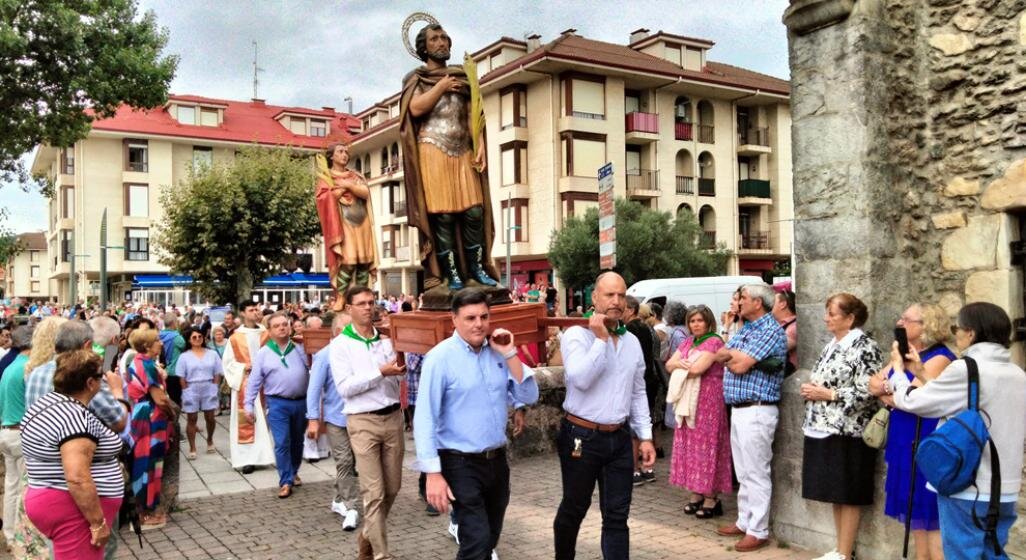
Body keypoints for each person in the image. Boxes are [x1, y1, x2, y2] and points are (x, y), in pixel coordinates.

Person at [887, 302, 1024, 558]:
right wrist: (920, 372)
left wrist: (897, 370)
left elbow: (911, 401)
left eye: (956, 328)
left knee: (962, 554)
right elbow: (966, 402)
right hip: (1005, 487)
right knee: (993, 552)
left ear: (971, 333)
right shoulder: (1017, 374)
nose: (955, 334)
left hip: (968, 484)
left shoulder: (966, 369)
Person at [416, 288, 539, 559]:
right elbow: (425, 416)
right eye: (470, 318)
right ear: (454, 320)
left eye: (484, 316)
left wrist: (509, 353)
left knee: (490, 537)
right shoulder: (439, 358)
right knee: (477, 539)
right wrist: (433, 474)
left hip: (496, 461)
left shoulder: (497, 351)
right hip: (459, 462)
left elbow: (528, 395)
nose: (479, 324)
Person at [399, 21, 502, 303]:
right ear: (423, 47)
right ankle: (451, 273)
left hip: (463, 150)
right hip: (432, 149)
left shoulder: (462, 76)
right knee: (443, 216)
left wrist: (479, 142)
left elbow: (473, 112)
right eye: (434, 39)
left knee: (474, 213)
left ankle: (477, 270)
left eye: (444, 37)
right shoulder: (417, 78)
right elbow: (415, 108)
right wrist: (441, 86)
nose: (442, 42)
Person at [555, 272, 655, 560]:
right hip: (581, 437)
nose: (616, 301)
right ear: (594, 298)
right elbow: (580, 379)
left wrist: (645, 437)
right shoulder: (577, 335)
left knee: (617, 515)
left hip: (620, 438)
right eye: (609, 295)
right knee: (574, 508)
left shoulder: (632, 342)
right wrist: (600, 339)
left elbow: (638, 393)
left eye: (621, 295)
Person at [867, 303, 954, 560]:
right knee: (914, 510)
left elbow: (912, 397)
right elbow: (873, 384)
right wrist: (890, 388)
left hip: (923, 435)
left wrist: (891, 391)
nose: (900, 323)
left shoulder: (939, 358)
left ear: (926, 325)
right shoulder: (904, 353)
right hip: (903, 435)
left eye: (906, 319)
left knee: (929, 511)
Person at [800, 293, 883, 560]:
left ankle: (846, 553)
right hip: (825, 426)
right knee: (835, 490)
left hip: (850, 429)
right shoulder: (833, 344)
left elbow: (871, 389)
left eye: (832, 314)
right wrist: (813, 389)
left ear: (850, 318)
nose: (826, 318)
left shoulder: (865, 346)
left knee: (848, 491)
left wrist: (831, 395)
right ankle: (840, 549)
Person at [21, 350, 123, 560]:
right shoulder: (76, 419)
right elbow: (77, 477)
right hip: (71, 507)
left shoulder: (48, 404)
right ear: (90, 383)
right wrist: (97, 522)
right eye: (100, 377)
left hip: (51, 496)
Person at [330, 286, 405, 560]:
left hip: (393, 416)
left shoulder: (386, 340)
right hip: (362, 421)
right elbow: (345, 388)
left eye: (371, 302)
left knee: (393, 488)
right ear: (348, 308)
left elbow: (397, 379)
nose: (367, 307)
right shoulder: (340, 345)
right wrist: (380, 372)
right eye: (361, 303)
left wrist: (399, 370)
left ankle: (366, 537)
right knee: (373, 492)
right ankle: (381, 555)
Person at [712, 283, 787, 553]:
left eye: (743, 298)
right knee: (744, 471)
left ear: (758, 302)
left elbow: (740, 365)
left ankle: (758, 529)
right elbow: (722, 354)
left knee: (756, 472)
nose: (738, 302)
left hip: (757, 408)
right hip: (741, 408)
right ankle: (744, 521)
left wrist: (735, 358)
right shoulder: (747, 329)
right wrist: (734, 357)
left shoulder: (769, 329)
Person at [665, 305, 731, 518]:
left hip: (709, 401)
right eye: (692, 321)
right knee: (691, 445)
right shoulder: (687, 342)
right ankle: (696, 491)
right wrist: (679, 364)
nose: (696, 325)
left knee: (708, 445)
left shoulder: (715, 342)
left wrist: (680, 364)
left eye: (700, 321)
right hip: (689, 401)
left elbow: (697, 369)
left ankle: (712, 496)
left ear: (708, 322)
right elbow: (668, 364)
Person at [244, 312, 310, 499]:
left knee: (298, 441)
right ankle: (285, 480)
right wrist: (248, 405)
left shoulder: (300, 349)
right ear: (270, 331)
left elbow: (313, 369)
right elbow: (254, 382)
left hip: (300, 402)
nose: (282, 328)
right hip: (278, 403)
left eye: (285, 324)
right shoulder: (264, 353)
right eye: (277, 326)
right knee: (281, 442)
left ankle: (293, 470)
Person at [306, 311, 360, 530]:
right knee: (344, 461)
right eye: (350, 328)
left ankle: (338, 499)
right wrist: (312, 419)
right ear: (338, 332)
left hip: (359, 416)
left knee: (353, 462)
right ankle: (351, 507)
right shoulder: (324, 355)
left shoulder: (357, 352)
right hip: (336, 419)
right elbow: (314, 390)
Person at [316, 141, 378, 311]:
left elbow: (365, 192)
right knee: (349, 261)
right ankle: (342, 297)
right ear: (332, 156)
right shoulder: (326, 178)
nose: (345, 155)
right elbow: (324, 199)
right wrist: (340, 191)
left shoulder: (355, 176)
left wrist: (349, 185)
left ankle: (364, 297)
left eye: (346, 152)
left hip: (362, 222)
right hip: (343, 224)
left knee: (364, 262)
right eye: (340, 151)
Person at [125, 327, 176, 529]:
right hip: (151, 417)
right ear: (147, 345)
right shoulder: (147, 365)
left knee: (144, 462)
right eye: (157, 340)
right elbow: (160, 399)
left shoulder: (138, 362)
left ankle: (144, 510)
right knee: (149, 463)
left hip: (142, 414)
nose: (161, 343)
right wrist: (171, 414)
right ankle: (146, 512)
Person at [221, 301, 275, 474]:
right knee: (246, 421)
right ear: (243, 314)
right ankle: (247, 459)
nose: (255, 312)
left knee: (264, 421)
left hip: (265, 384)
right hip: (245, 382)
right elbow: (227, 363)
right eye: (251, 310)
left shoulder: (266, 334)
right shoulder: (235, 337)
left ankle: (264, 456)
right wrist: (244, 367)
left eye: (256, 309)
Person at [623, 296, 663, 485]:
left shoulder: (629, 330)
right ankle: (648, 467)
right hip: (650, 378)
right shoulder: (648, 328)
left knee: (634, 426)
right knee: (646, 421)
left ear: (631, 310)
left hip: (638, 380)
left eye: (623, 309)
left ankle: (635, 469)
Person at [0, 325, 32, 541]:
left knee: (11, 487)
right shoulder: (27, 368)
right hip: (20, 433)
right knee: (24, 487)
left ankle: (9, 533)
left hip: (6, 431)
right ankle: (22, 536)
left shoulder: (10, 367)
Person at [177, 326, 223, 459]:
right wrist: (185, 390)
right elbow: (181, 376)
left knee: (210, 416)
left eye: (199, 336)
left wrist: (215, 387)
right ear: (189, 340)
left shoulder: (212, 353)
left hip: (208, 385)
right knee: (192, 418)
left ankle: (210, 440)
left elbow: (217, 372)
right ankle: (192, 447)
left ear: (203, 338)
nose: (197, 339)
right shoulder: (184, 356)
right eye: (194, 337)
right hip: (191, 386)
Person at [158, 313, 186, 406]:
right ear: (174, 323)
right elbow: (184, 347)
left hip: (162, 371)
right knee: (176, 401)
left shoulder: (159, 335)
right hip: (175, 372)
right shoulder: (176, 337)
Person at [772, 290, 798, 374]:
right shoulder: (776, 323)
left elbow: (775, 349)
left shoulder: (794, 326)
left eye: (773, 301)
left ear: (783, 304)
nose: (769, 304)